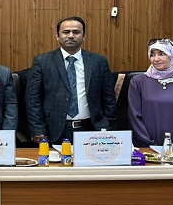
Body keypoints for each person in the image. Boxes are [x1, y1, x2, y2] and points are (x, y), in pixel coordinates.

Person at [25, 16, 117, 144]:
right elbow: (32, 99)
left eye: (76, 32)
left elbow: (109, 98)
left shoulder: (99, 62)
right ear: (57, 36)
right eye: (66, 32)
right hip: (54, 131)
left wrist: (107, 125)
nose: (71, 36)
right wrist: (37, 128)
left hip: (91, 129)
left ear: (84, 36)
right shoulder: (42, 62)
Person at [128, 38, 173, 147]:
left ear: (172, 55)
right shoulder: (138, 82)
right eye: (152, 55)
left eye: (161, 54)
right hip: (146, 148)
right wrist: (149, 144)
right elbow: (134, 116)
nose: (156, 59)